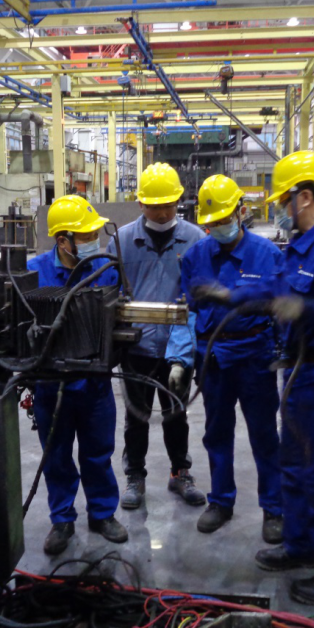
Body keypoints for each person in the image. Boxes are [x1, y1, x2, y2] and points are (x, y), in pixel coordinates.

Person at [199, 151, 314, 604]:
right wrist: (231, 296)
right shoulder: (303, 243)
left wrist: (307, 309)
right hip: (301, 373)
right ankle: (301, 547)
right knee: (295, 468)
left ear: (303, 197)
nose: (281, 209)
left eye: (283, 200)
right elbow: (277, 288)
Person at [168, 174, 284, 542]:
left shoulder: (268, 255)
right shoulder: (195, 257)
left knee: (264, 435)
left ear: (240, 211)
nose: (218, 227)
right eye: (212, 222)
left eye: (223, 219)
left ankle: (274, 508)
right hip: (214, 360)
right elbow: (186, 312)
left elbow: (282, 309)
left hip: (255, 358)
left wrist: (285, 354)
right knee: (217, 433)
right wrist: (179, 358)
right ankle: (221, 501)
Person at [28, 195, 127, 555]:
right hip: (50, 385)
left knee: (98, 453)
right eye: (85, 236)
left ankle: (102, 513)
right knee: (56, 457)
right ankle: (62, 518)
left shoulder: (106, 269)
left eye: (95, 234)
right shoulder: (33, 272)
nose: (93, 241)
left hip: (95, 383)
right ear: (63, 240)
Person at [106, 162, 206, 510]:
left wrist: (189, 351)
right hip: (137, 348)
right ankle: (135, 476)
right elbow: (108, 293)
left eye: (169, 204)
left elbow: (200, 299)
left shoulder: (195, 240)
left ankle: (180, 472)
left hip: (179, 349)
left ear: (179, 201)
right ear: (140, 203)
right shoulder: (121, 242)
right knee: (136, 417)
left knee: (176, 415)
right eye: (155, 205)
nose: (163, 212)